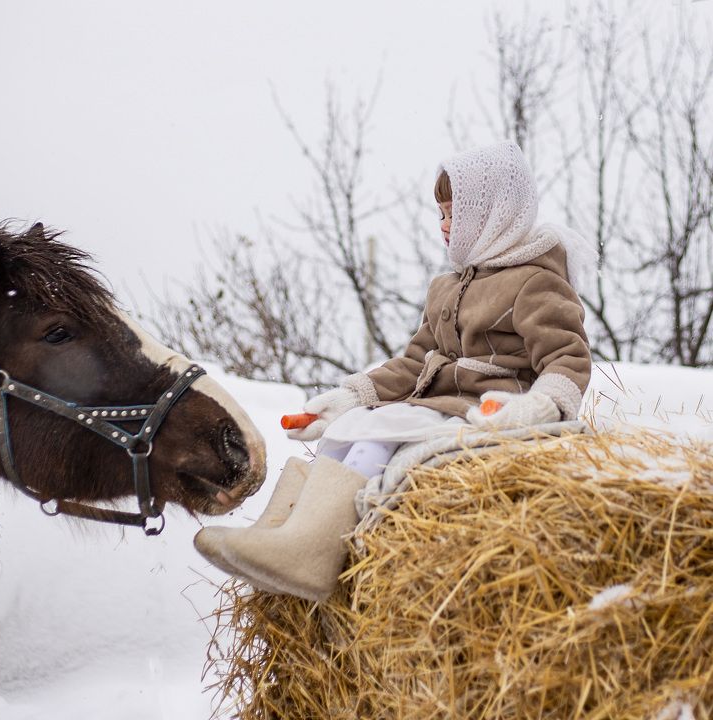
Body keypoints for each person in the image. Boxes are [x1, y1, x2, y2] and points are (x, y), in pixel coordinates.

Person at [194, 140, 595, 602]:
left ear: (493, 216)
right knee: (350, 427)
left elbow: (567, 355)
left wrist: (538, 406)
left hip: (483, 409)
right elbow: (414, 360)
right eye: (440, 214)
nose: (443, 227)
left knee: (375, 437)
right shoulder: (446, 286)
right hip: (435, 406)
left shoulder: (535, 280)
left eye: (453, 214)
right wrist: (351, 397)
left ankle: (310, 553)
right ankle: (277, 536)